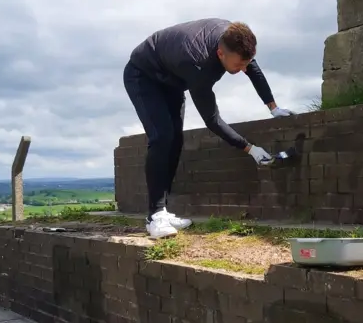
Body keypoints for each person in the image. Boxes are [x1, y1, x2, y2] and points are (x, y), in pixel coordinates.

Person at [123, 18, 295, 239]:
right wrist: (249, 149)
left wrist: (273, 107)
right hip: (143, 75)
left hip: (172, 79)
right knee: (162, 136)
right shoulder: (198, 64)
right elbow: (212, 120)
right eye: (237, 66)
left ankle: (163, 210)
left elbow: (252, 68)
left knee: (176, 141)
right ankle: (155, 215)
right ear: (220, 54)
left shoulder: (234, 38)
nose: (243, 69)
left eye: (246, 63)